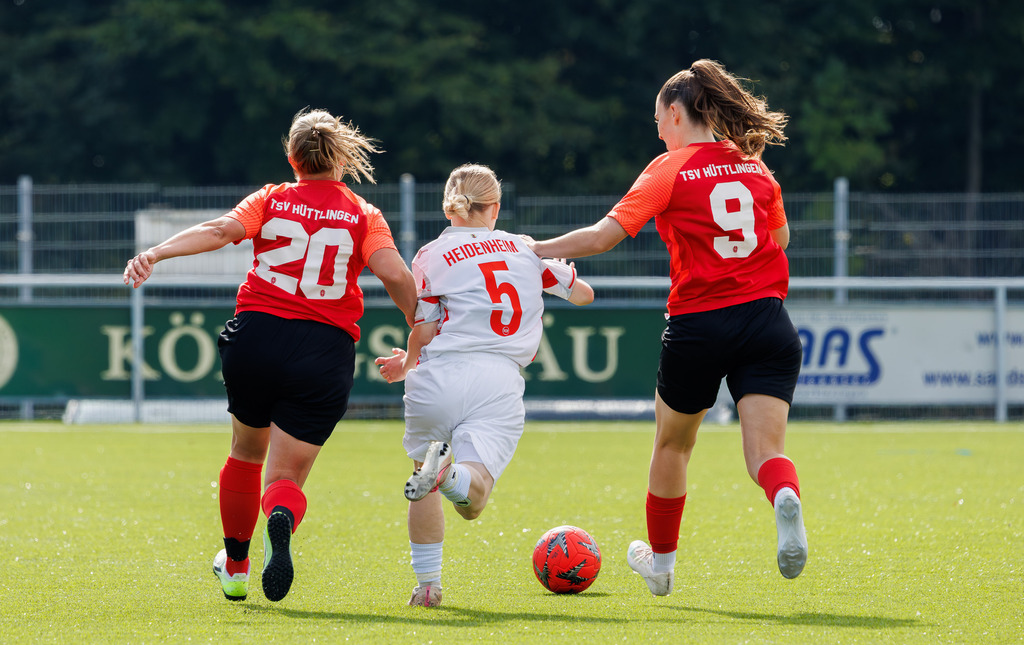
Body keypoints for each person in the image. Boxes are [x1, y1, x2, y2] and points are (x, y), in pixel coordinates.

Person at [529, 59, 807, 596]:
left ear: (676, 112)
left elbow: (603, 237)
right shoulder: (754, 165)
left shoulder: (668, 169)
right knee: (765, 454)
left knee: (673, 447)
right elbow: (783, 239)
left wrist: (533, 248)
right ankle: (783, 496)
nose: (657, 129)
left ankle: (661, 566)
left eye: (658, 118)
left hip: (700, 324)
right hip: (769, 321)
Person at [123, 108, 418, 602]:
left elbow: (220, 231)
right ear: (342, 162)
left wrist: (156, 253)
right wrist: (419, 328)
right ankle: (279, 518)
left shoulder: (273, 198)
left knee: (244, 453)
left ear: (291, 158)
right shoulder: (363, 213)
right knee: (285, 477)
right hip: (324, 349)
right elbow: (392, 274)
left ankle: (235, 568)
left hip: (256, 336)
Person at [374, 164, 594, 608]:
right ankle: (450, 473)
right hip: (498, 380)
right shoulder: (525, 250)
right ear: (494, 207)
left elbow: (425, 329)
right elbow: (585, 294)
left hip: (438, 376)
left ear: (448, 206)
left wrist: (406, 365)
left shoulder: (432, 254)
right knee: (473, 502)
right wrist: (562, 271)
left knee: (427, 479)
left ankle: (428, 586)